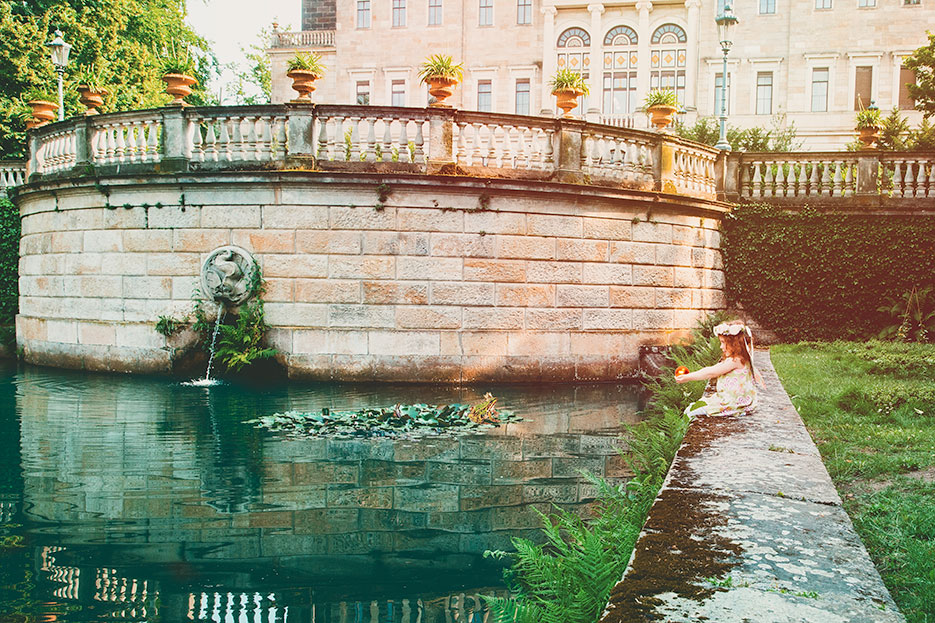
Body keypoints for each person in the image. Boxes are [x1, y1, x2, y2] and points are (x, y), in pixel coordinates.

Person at [675, 321, 765, 418]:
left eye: (723, 342)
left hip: (732, 402)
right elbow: (712, 369)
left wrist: (687, 377)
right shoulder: (739, 358)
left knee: (691, 413)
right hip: (729, 398)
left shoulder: (735, 361)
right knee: (692, 407)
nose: (721, 346)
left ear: (735, 344)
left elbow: (710, 372)